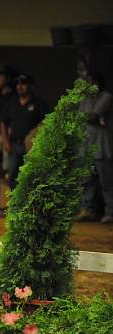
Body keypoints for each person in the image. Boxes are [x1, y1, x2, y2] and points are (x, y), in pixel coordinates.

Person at [76, 72, 113, 223]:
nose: (89, 86)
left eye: (91, 82)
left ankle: (110, 211)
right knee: (86, 180)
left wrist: (83, 116)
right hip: (86, 146)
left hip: (102, 145)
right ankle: (88, 210)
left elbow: (93, 116)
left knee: (106, 182)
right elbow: (79, 116)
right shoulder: (85, 99)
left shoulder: (106, 96)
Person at [0, 73, 47, 191]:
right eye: (18, 84)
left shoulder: (39, 103)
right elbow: (3, 122)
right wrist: (5, 142)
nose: (20, 86)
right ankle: (11, 206)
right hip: (14, 145)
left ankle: (31, 207)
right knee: (12, 177)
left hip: (32, 148)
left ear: (31, 86)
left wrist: (35, 134)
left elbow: (46, 123)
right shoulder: (12, 102)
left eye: (24, 84)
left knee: (31, 177)